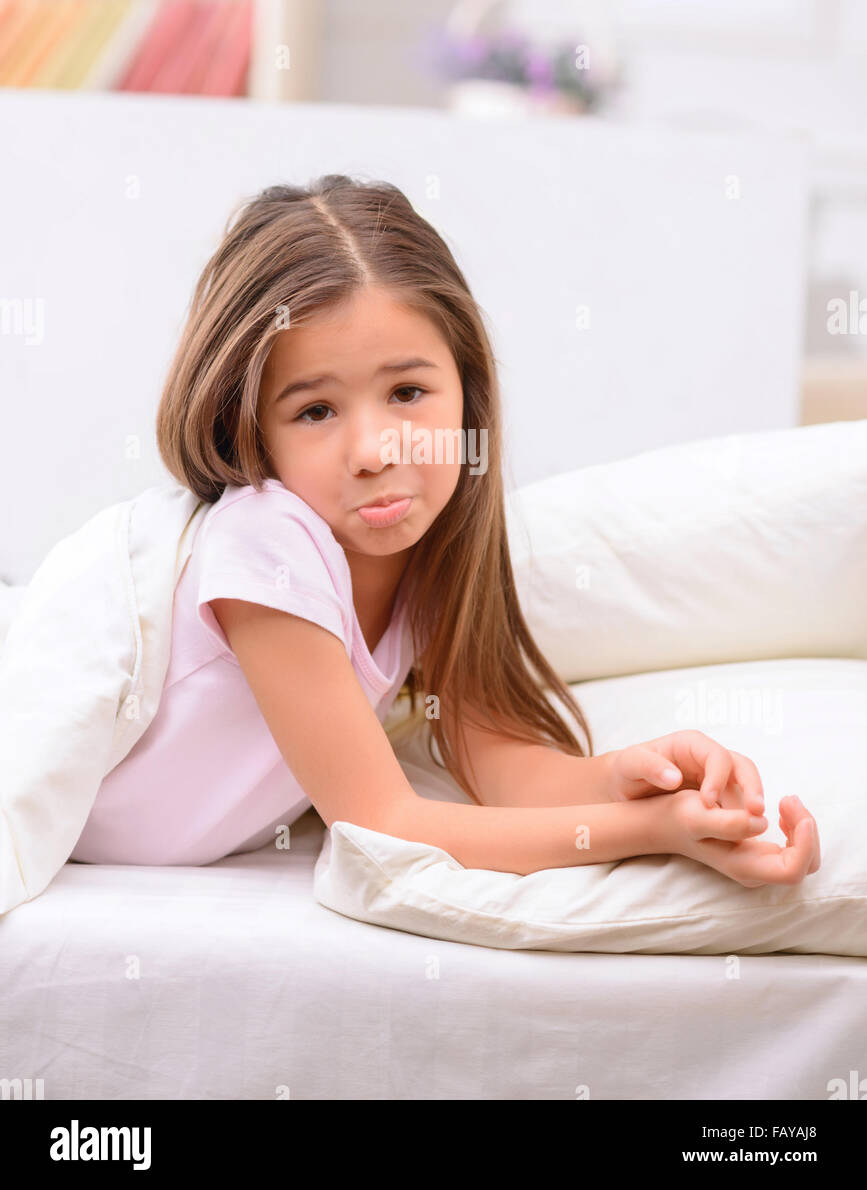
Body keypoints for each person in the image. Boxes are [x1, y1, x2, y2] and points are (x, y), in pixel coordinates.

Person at [71, 174, 820, 887]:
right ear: (250, 429)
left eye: (407, 392)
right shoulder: (264, 541)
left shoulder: (428, 553)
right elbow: (381, 824)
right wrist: (649, 838)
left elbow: (499, 769)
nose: (375, 450)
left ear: (467, 389)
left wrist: (635, 783)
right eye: (315, 411)